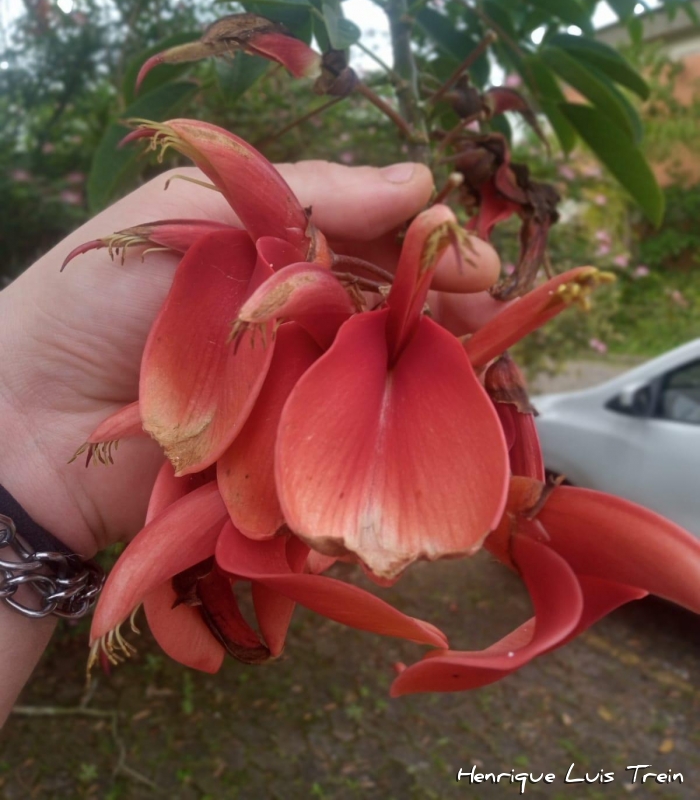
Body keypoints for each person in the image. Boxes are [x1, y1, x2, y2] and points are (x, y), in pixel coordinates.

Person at [0, 159, 501, 726]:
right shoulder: (277, 283)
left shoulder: (315, 304)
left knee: (262, 515)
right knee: (257, 514)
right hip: (269, 375)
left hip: (299, 383)